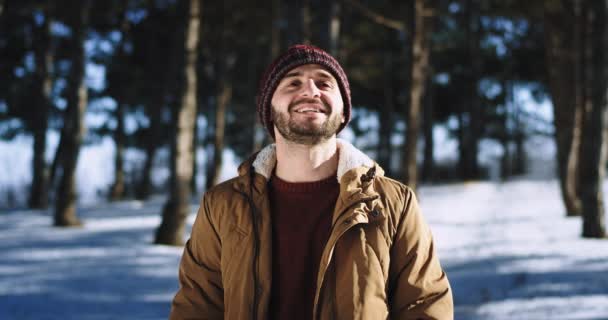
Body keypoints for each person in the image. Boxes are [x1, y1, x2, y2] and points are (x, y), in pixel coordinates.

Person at [170, 44, 453, 320]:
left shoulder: (393, 202)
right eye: (292, 83)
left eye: (324, 83)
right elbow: (197, 307)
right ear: (269, 110)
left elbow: (425, 305)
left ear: (343, 112)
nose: (310, 91)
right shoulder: (221, 205)